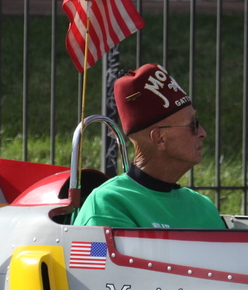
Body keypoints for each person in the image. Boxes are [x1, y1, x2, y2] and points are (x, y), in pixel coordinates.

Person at [73, 63, 225, 229]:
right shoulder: (108, 204)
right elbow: (97, 255)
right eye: (193, 125)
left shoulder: (204, 207)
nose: (202, 132)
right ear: (159, 139)